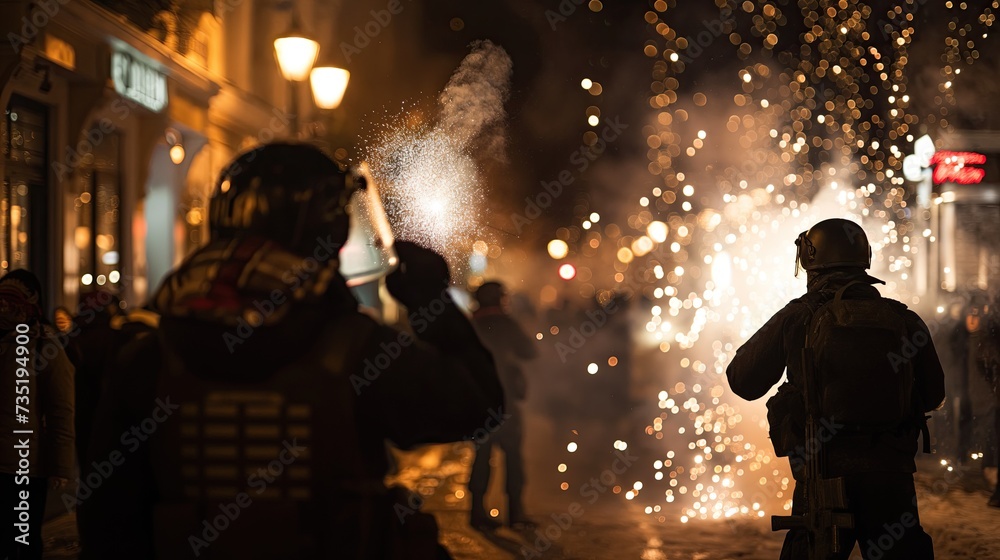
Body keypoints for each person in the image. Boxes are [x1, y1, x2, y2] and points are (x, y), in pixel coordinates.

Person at [77, 142, 504, 559]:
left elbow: (107, 521)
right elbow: (478, 408)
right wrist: (432, 305)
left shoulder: (148, 355)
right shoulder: (357, 351)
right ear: (329, 230)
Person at [726, 218, 945, 560]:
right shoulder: (904, 319)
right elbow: (934, 395)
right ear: (864, 260)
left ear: (811, 261)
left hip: (824, 475)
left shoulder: (799, 317)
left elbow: (742, 380)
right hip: (891, 478)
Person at [0, 269, 75, 560]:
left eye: (12, 303)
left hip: (24, 469)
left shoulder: (44, 346)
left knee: (21, 542)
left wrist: (61, 466)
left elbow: (61, 411)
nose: (5, 310)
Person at [468, 280, 537, 530]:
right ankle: (515, 513)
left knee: (481, 457)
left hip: (479, 401)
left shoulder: (471, 325)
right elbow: (530, 351)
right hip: (506, 402)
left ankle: (476, 512)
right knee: (513, 458)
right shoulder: (506, 324)